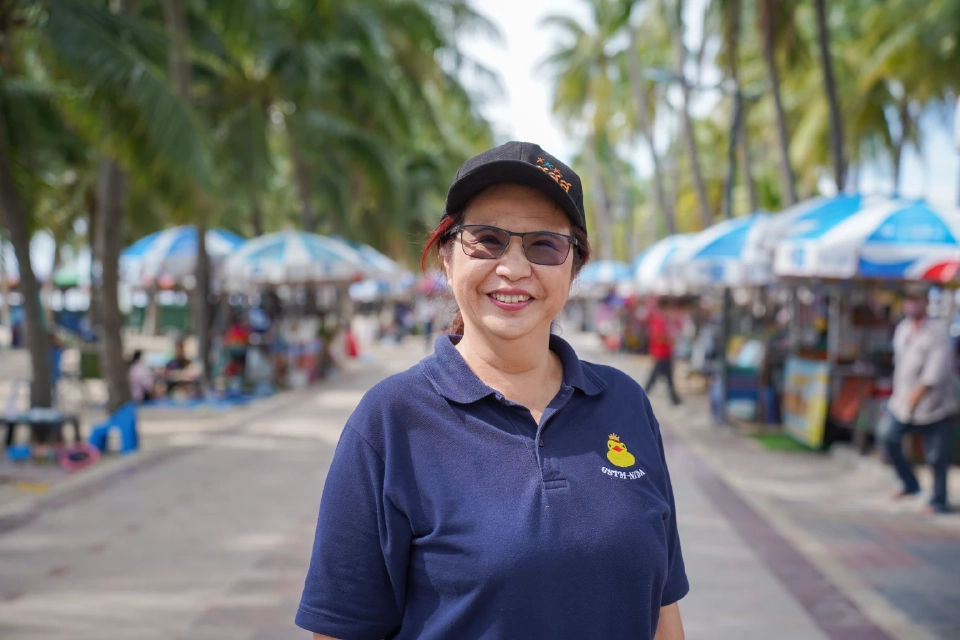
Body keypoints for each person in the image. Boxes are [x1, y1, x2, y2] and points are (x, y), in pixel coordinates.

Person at [296, 141, 687, 640]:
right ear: (447, 257)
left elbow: (662, 615)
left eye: (545, 245)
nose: (514, 268)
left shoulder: (625, 403)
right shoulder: (390, 420)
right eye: (487, 239)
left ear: (574, 268)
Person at [885, 286, 959, 514]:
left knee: (937, 455)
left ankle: (938, 500)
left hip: (934, 405)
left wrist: (918, 393)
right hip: (902, 403)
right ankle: (910, 484)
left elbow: (935, 371)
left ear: (926, 302)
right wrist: (900, 397)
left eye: (916, 300)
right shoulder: (903, 328)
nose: (912, 304)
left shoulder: (937, 331)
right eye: (909, 300)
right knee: (887, 438)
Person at [645, 297, 682, 405]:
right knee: (655, 377)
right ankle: (673, 398)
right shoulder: (659, 320)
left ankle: (674, 398)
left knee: (667, 377)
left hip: (666, 353)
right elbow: (658, 336)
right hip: (661, 353)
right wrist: (669, 339)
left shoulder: (665, 320)